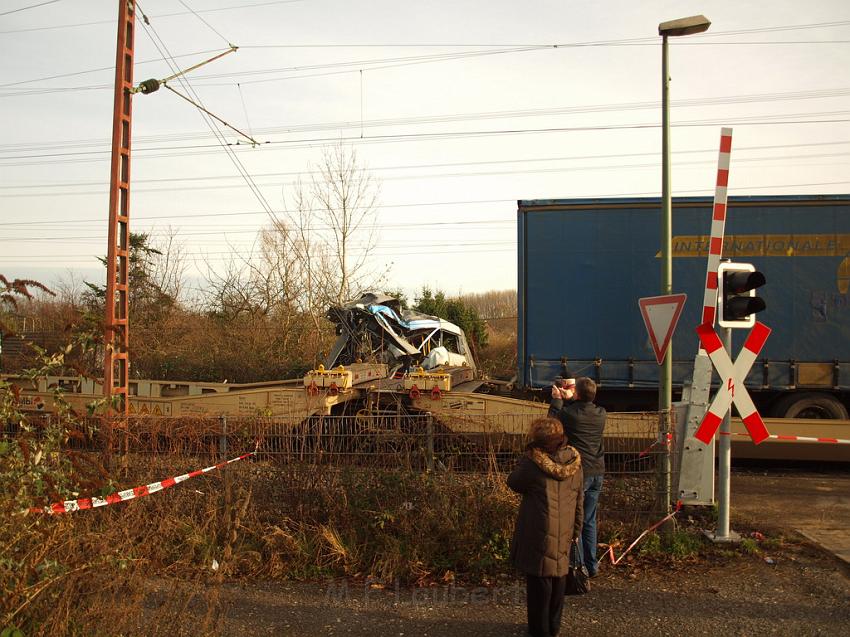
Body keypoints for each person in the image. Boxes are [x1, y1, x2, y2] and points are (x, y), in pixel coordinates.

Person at [507, 417, 584, 637]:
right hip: (566, 528)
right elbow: (580, 499)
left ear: (538, 440)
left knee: (538, 582)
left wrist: (526, 456)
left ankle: (538, 631)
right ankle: (553, 627)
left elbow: (513, 482)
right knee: (559, 577)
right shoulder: (575, 462)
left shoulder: (532, 464)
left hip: (538, 529)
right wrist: (576, 530)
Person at [555, 377, 606, 578]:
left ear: (577, 394)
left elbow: (556, 420)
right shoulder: (601, 414)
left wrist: (559, 399)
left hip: (579, 473)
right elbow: (577, 412)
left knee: (574, 519)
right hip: (597, 473)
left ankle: (579, 566)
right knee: (589, 520)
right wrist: (572, 399)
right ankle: (592, 565)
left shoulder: (569, 414)